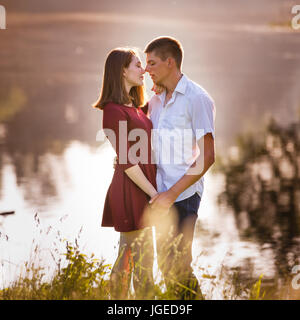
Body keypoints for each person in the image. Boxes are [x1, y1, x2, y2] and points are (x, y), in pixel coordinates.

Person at [144, 36, 216, 299]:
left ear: (169, 62)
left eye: (151, 63)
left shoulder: (197, 98)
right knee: (166, 267)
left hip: (183, 196)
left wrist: (171, 195)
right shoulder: (156, 99)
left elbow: (207, 157)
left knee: (178, 269)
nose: (146, 70)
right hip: (158, 195)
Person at [92, 48, 158, 299]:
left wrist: (160, 93)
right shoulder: (113, 111)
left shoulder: (135, 107)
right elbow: (128, 161)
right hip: (133, 190)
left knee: (129, 258)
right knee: (139, 262)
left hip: (142, 188)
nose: (144, 70)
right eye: (138, 65)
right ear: (122, 70)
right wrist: (154, 194)